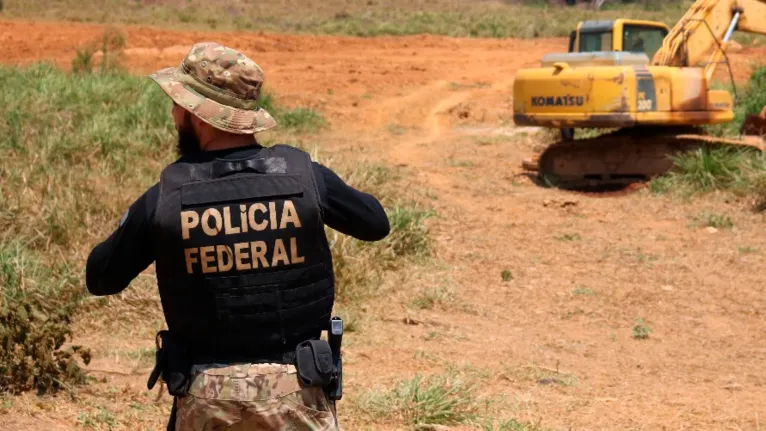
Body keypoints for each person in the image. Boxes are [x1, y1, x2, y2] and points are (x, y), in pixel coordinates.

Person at [85, 41, 390, 430]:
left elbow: (101, 278)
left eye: (178, 104)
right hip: (298, 391)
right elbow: (375, 223)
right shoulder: (302, 174)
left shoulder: (168, 194)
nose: (174, 112)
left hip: (204, 398)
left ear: (199, 115)